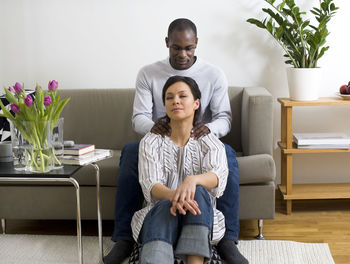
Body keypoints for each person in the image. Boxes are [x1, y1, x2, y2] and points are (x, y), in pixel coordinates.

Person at [104, 18, 248, 264]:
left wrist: (206, 130)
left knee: (227, 154)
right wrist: (158, 128)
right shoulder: (148, 73)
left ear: (196, 45)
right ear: (167, 43)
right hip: (160, 136)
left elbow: (224, 118)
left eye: (189, 48)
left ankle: (227, 239)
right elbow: (138, 116)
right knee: (131, 151)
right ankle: (124, 238)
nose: (183, 54)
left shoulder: (213, 74)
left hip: (201, 136)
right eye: (176, 48)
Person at [133, 75, 228, 264]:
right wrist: (177, 197)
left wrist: (191, 181)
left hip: (199, 216)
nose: (175, 101)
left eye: (182, 96)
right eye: (169, 97)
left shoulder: (210, 142)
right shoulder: (150, 142)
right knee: (163, 206)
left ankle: (194, 260)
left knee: (198, 191)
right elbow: (150, 186)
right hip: (159, 216)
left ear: (196, 103)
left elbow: (218, 176)